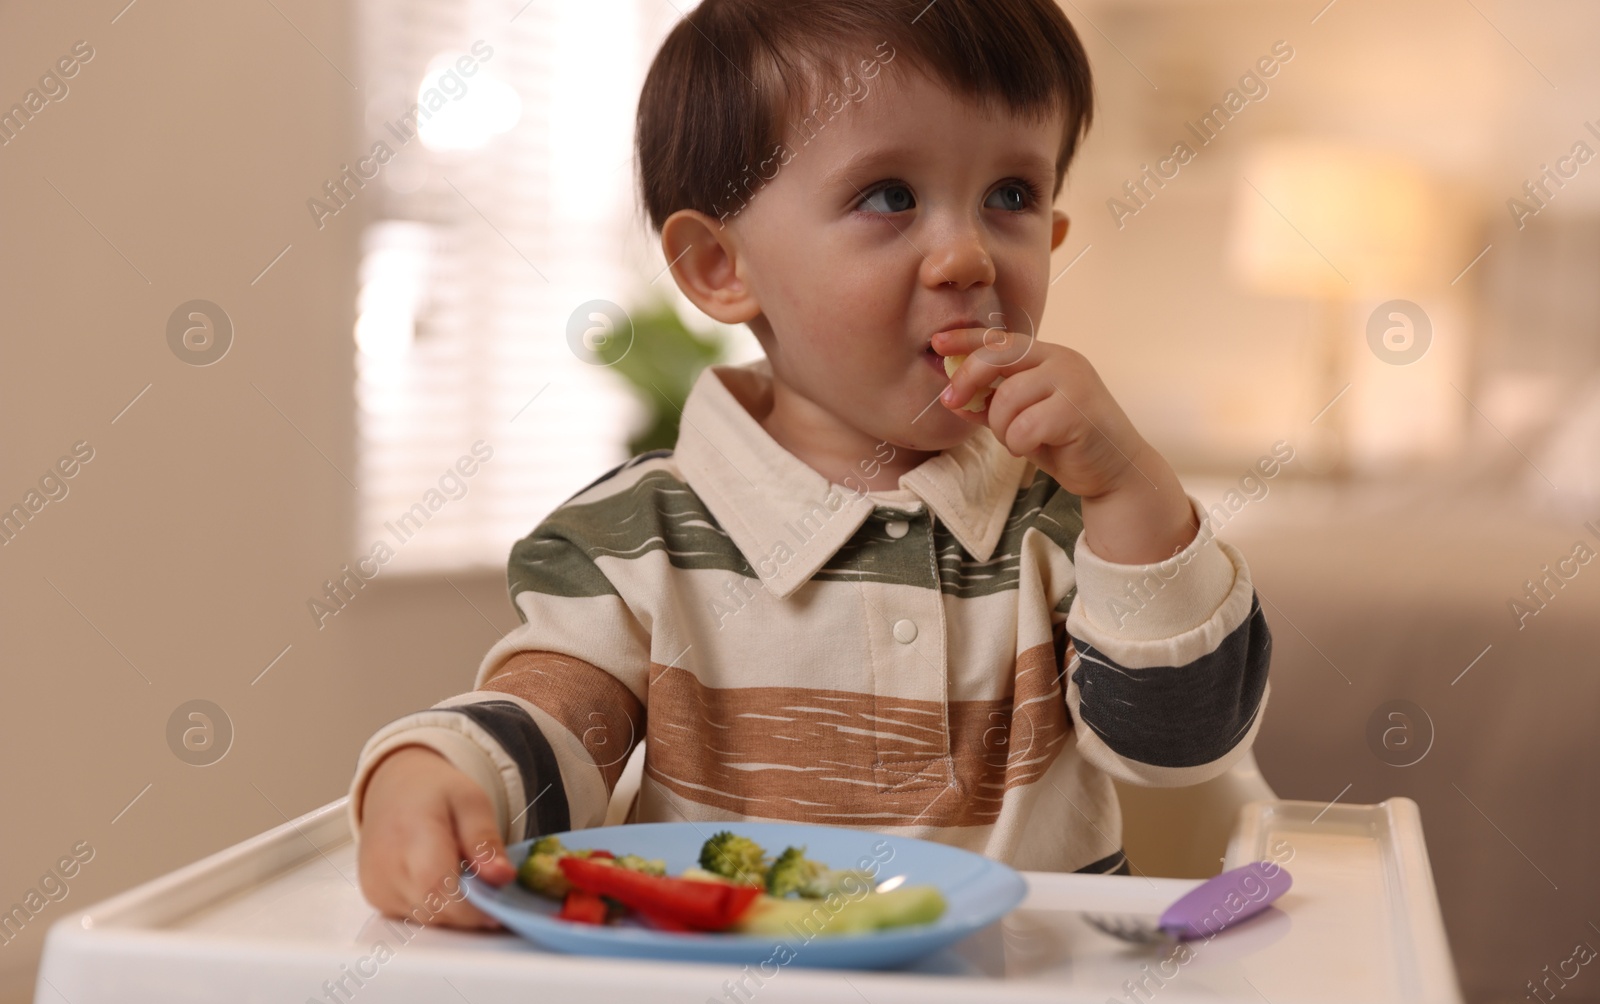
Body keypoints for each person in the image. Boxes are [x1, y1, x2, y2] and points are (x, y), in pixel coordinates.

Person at [352, 0, 1272, 930]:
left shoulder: (1073, 517)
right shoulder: (637, 540)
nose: (967, 255)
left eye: (1011, 196)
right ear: (720, 265)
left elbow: (1184, 745)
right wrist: (436, 771)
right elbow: (552, 726)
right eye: (890, 197)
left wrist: (1132, 491)